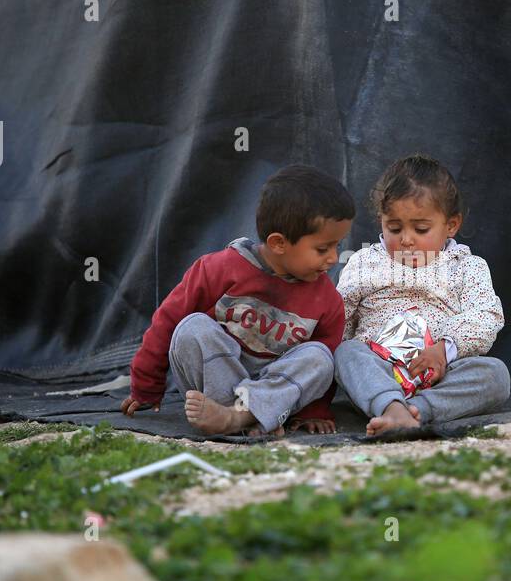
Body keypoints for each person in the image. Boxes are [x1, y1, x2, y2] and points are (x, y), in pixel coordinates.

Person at [122, 164, 353, 435]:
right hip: (215, 383)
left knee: (320, 356)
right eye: (323, 248)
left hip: (273, 386)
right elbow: (167, 322)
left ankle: (241, 417)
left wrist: (314, 411)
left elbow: (321, 365)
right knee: (191, 327)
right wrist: (147, 386)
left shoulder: (326, 298)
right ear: (278, 243)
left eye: (338, 245)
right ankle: (241, 414)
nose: (334, 258)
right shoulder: (218, 269)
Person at [335, 154, 509, 436]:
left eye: (421, 229)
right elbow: (339, 313)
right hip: (378, 368)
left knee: (496, 375)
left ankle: (417, 410)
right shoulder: (365, 262)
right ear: (381, 221)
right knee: (346, 353)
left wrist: (444, 349)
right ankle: (389, 404)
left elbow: (485, 315)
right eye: (394, 228)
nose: (406, 239)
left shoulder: (466, 266)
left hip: (438, 373)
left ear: (451, 225)